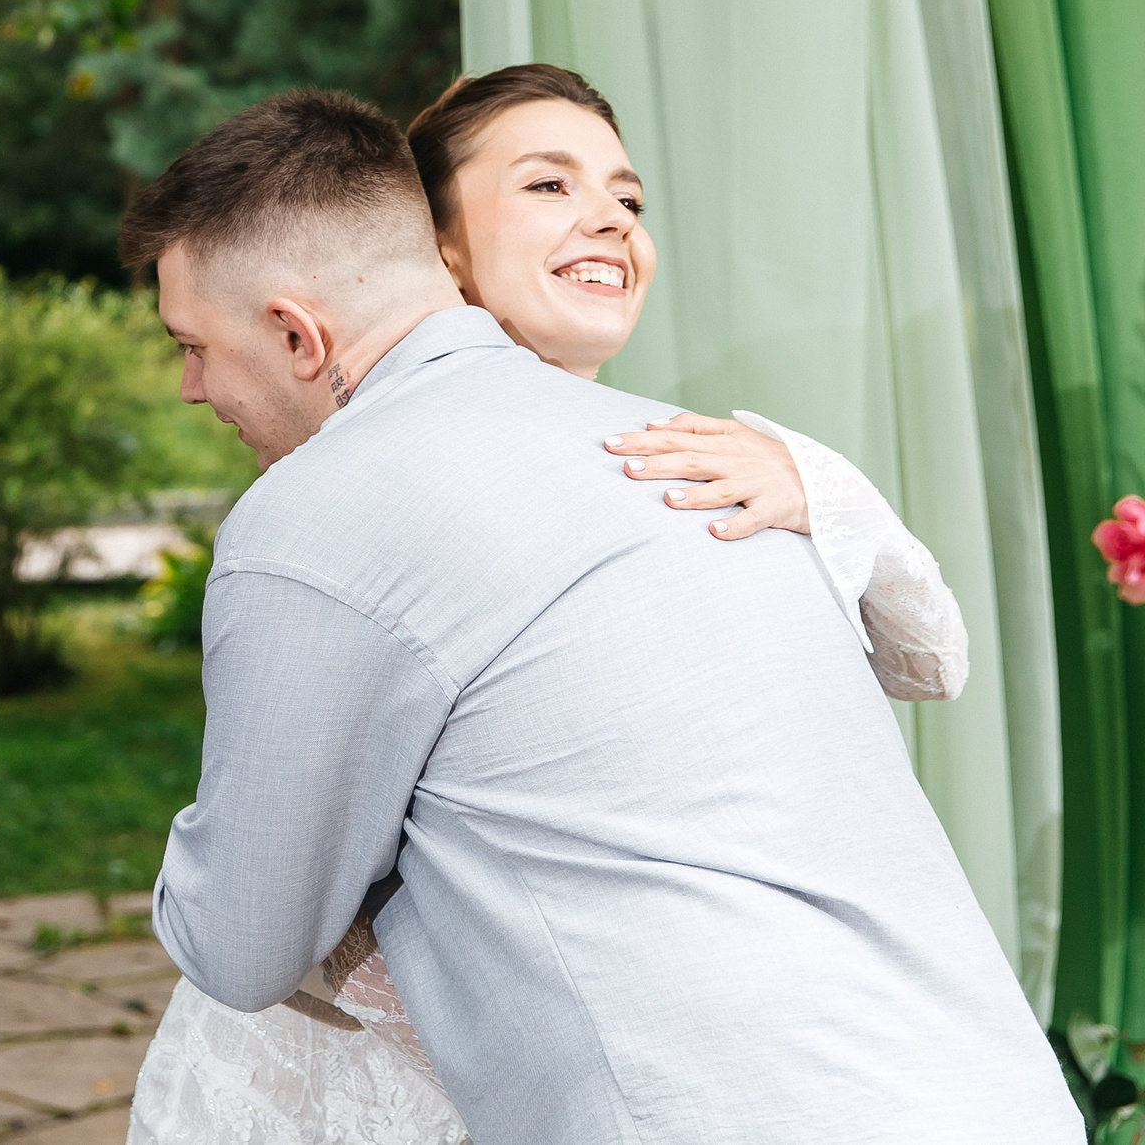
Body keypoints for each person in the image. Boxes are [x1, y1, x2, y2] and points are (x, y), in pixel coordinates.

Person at [123, 88, 1076, 1144]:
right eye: (548, 183)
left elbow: (241, 936)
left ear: (299, 333)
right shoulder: (695, 461)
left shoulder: (320, 511)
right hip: (990, 1094)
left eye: (194, 345)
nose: (189, 388)